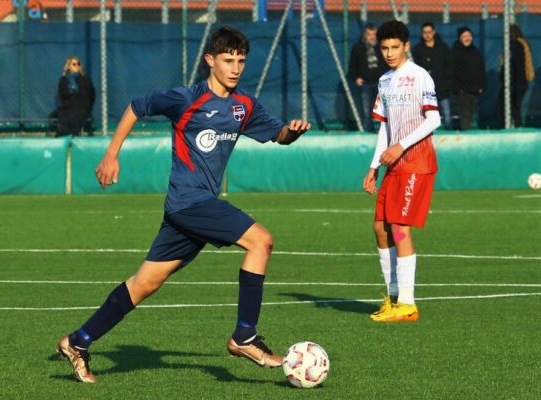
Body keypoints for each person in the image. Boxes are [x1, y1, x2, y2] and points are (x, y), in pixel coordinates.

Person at [56, 25, 311, 383]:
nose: (235, 68)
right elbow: (136, 106)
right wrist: (111, 155)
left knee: (145, 282)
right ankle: (245, 335)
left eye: (240, 60)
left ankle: (78, 341)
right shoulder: (187, 98)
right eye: (227, 60)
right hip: (189, 203)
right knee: (261, 241)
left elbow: (279, 135)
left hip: (191, 209)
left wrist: (292, 132)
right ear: (210, 60)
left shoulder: (245, 106)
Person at [363, 20, 441, 322]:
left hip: (416, 161)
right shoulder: (384, 81)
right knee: (380, 228)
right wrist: (373, 166)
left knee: (399, 228)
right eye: (384, 48)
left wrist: (401, 146)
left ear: (406, 46)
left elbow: (433, 120)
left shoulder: (419, 76)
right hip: (394, 164)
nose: (389, 53)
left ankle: (408, 304)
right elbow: (384, 126)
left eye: (395, 47)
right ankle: (393, 297)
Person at [412, 22, 453, 130]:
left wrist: (447, 80)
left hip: (442, 86)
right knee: (426, 116)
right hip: (425, 89)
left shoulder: (443, 47)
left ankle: (450, 137)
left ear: (434, 32)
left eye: (429, 32)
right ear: (422, 34)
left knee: (447, 115)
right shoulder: (417, 49)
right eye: (425, 32)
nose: (427, 35)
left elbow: (449, 64)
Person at [349, 23, 387, 132]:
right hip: (365, 84)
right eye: (369, 34)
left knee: (383, 110)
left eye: (374, 34)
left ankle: (384, 133)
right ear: (365, 35)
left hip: (381, 83)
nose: (372, 37)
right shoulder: (358, 47)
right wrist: (356, 77)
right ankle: (368, 133)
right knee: (366, 112)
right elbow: (352, 65)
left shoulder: (381, 47)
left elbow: (387, 63)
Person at [497, 24, 533, 128]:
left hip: (513, 82)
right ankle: (517, 126)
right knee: (516, 107)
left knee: (504, 107)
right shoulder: (524, 44)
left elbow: (510, 64)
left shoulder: (512, 45)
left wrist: (503, 75)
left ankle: (509, 126)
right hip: (522, 82)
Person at [451, 27, 485, 131]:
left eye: (469, 36)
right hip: (462, 91)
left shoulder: (476, 52)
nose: (467, 38)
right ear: (460, 38)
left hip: (474, 90)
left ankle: (470, 135)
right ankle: (466, 136)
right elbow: (451, 72)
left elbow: (481, 70)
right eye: (464, 36)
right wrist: (457, 88)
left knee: (471, 115)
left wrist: (482, 86)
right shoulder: (454, 52)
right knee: (464, 115)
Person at [55, 56, 95, 136]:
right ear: (68, 66)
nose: (77, 66)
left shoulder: (85, 79)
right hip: (68, 107)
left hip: (81, 108)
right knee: (62, 114)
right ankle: (63, 139)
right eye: (74, 64)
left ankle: (74, 138)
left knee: (74, 116)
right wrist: (71, 94)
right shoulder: (64, 80)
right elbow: (62, 94)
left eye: (78, 64)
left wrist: (87, 106)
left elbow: (91, 94)